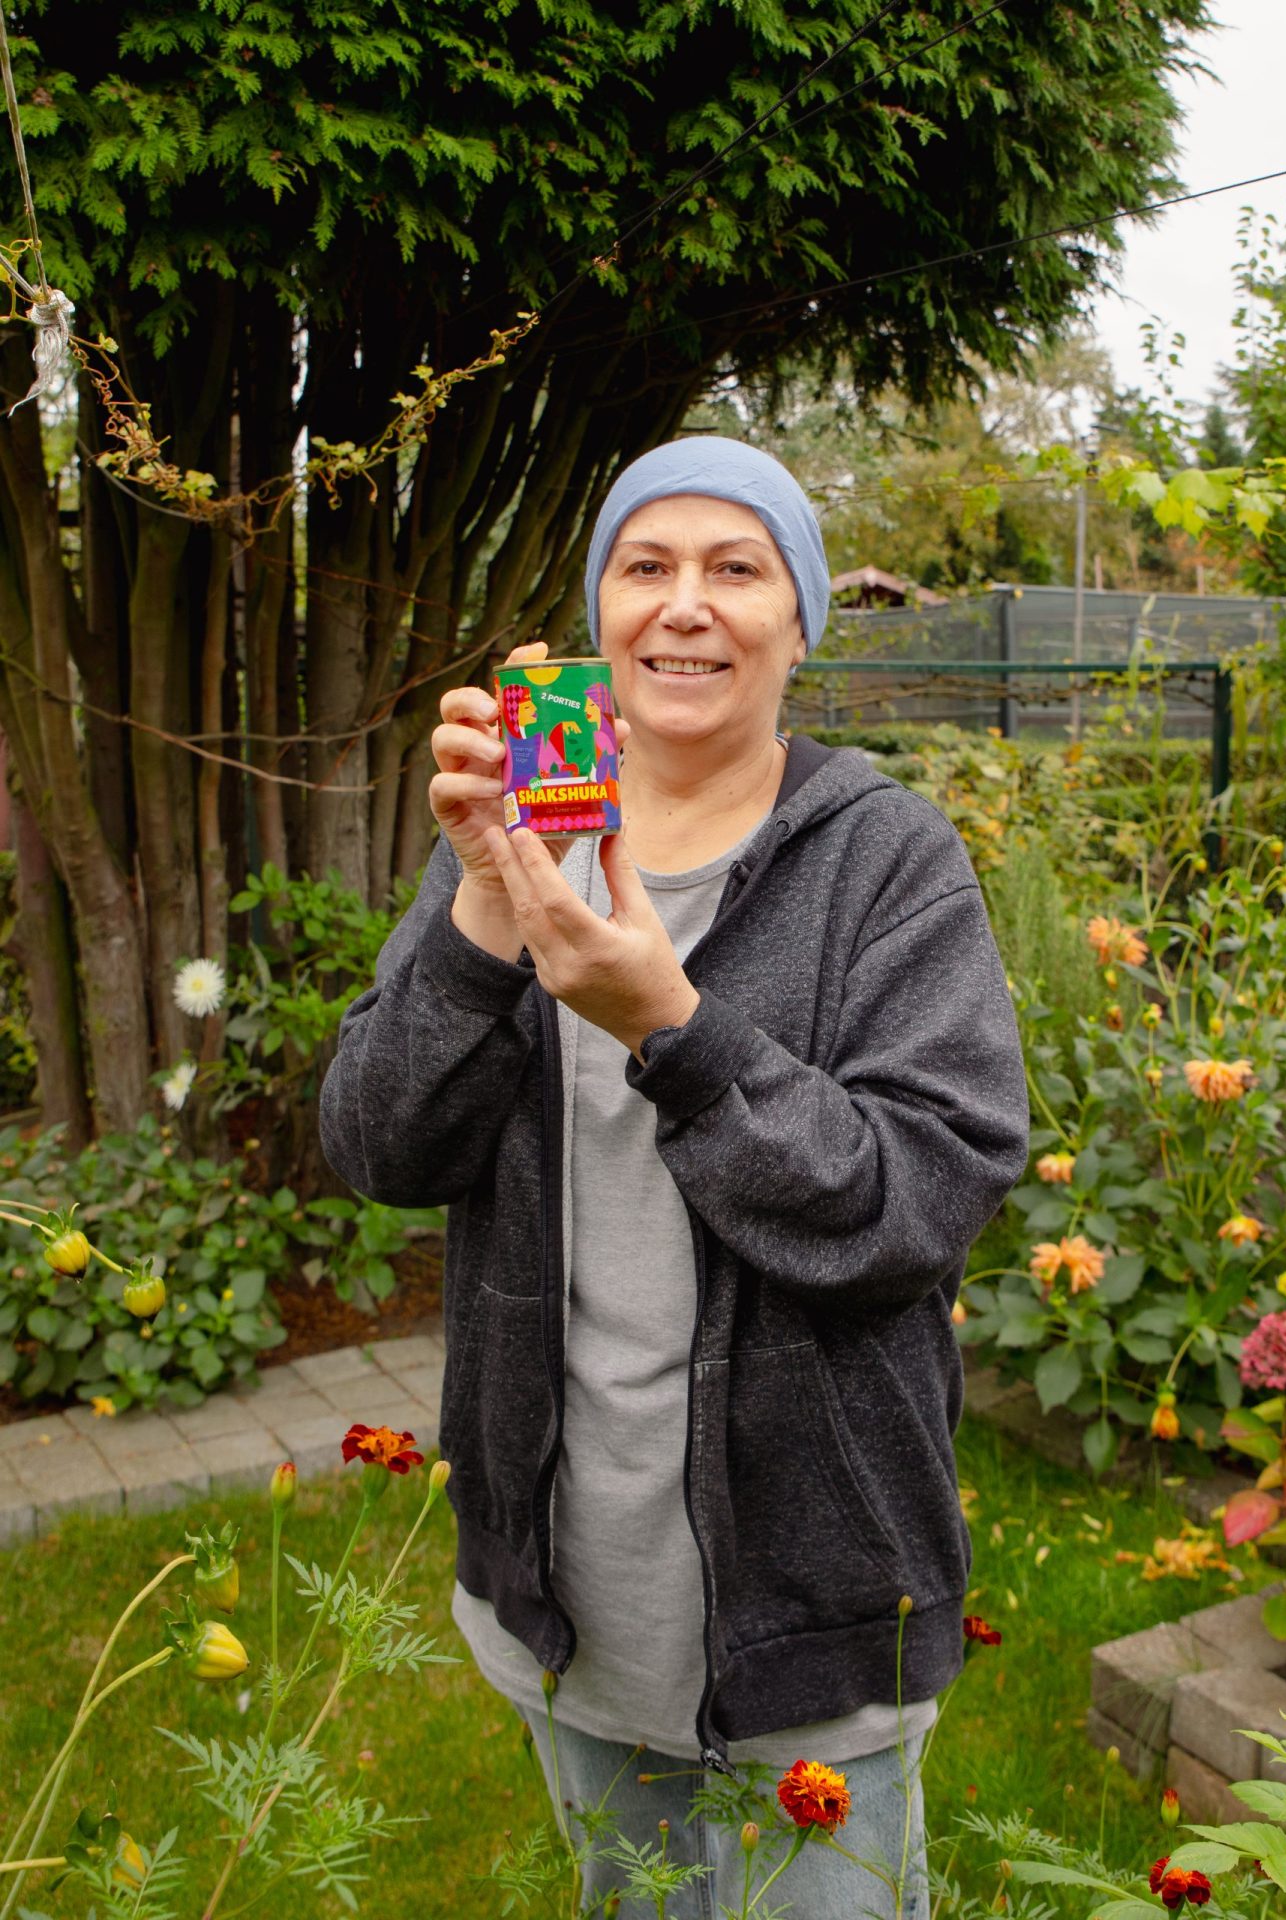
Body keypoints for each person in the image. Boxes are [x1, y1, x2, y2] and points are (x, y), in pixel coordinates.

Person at [318, 436, 1029, 1917]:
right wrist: (483, 910)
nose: (685, 603)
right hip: (574, 1577)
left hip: (813, 1585)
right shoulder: (522, 840)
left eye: (736, 568)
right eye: (645, 566)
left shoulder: (886, 863)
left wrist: (669, 1027)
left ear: (798, 622)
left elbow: (913, 1203)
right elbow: (381, 1147)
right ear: (600, 617)